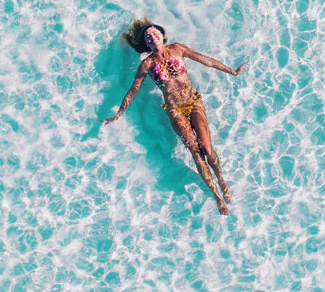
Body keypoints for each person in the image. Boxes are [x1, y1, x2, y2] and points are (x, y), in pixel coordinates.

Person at [101, 18, 248, 215]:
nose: (152, 37)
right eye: (147, 37)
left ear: (162, 35)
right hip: (175, 110)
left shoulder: (178, 49)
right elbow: (133, 90)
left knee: (207, 147)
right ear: (146, 44)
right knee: (196, 152)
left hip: (194, 102)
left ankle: (221, 180)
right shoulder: (147, 64)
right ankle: (217, 198)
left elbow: (206, 60)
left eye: (154, 33)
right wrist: (118, 114)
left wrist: (232, 71)